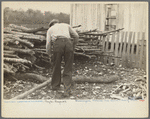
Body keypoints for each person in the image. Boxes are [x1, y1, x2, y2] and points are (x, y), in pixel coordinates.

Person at [46, 19, 79, 96]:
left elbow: (48, 44)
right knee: (68, 67)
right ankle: (67, 90)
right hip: (68, 43)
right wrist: (73, 45)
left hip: (58, 44)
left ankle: (55, 86)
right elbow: (76, 36)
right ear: (58, 23)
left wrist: (49, 54)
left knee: (56, 65)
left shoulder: (50, 29)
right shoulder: (66, 25)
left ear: (51, 25)